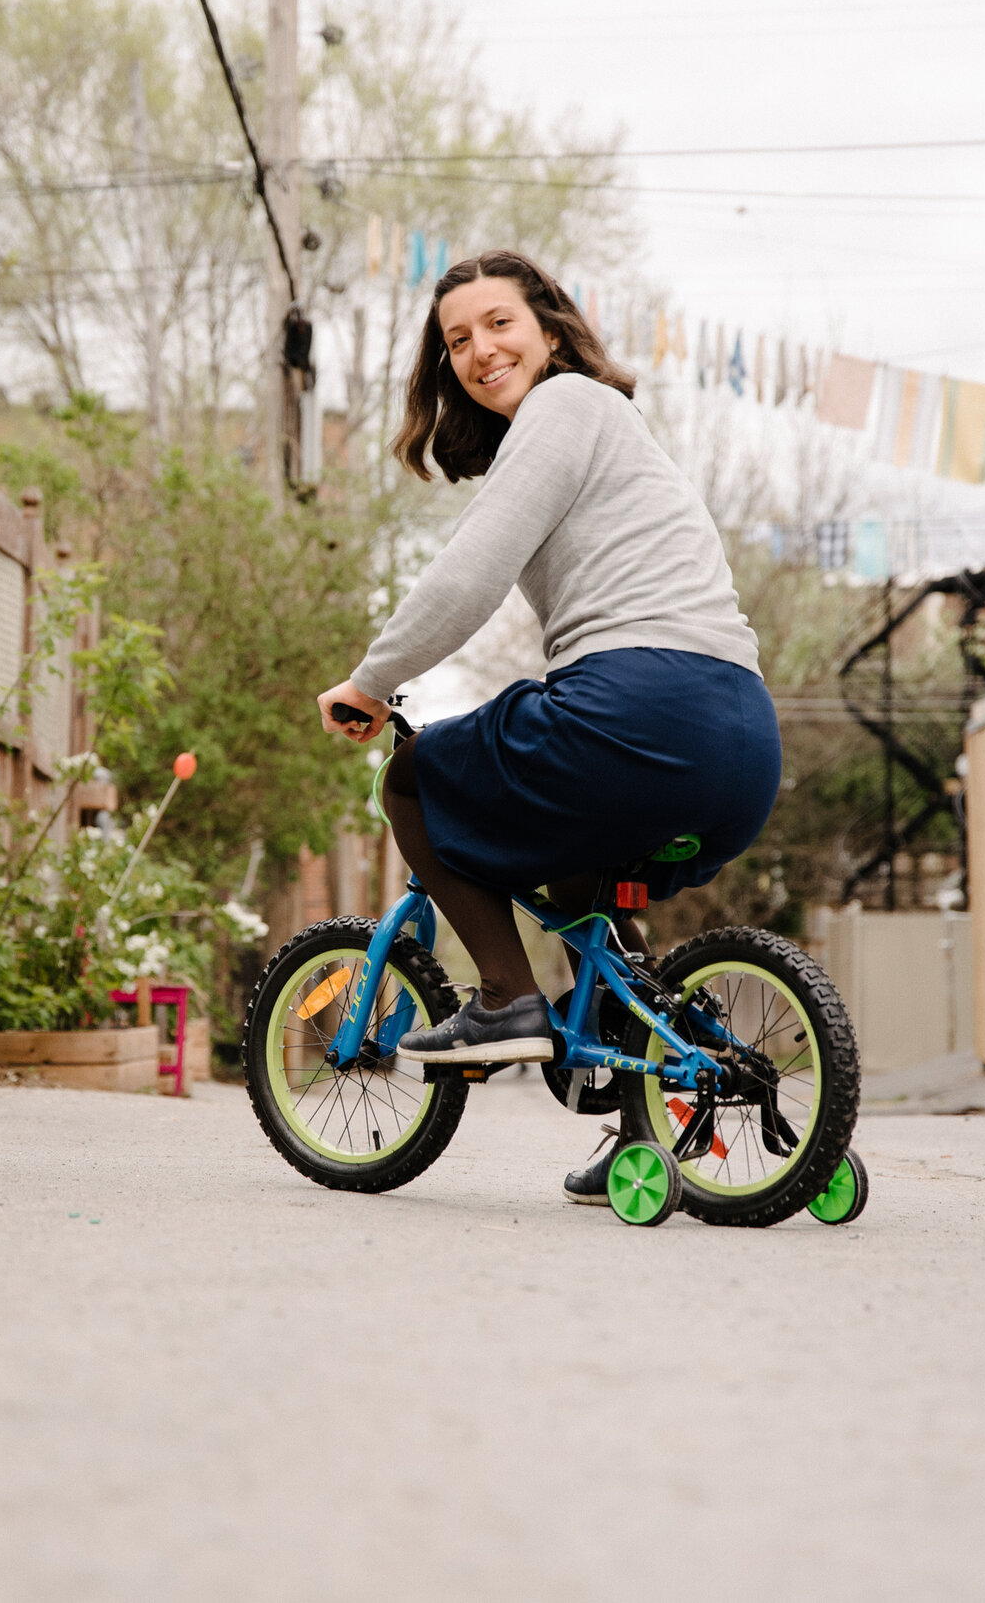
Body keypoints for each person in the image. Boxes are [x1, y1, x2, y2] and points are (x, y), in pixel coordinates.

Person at [315, 250, 782, 1206]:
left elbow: (470, 575)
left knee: (413, 779)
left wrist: (373, 681)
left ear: (553, 332)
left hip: (642, 703)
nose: (479, 350)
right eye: (456, 340)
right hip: (740, 736)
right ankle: (644, 1114)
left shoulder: (564, 407)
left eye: (499, 323)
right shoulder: (616, 432)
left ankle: (502, 1000)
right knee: (580, 890)